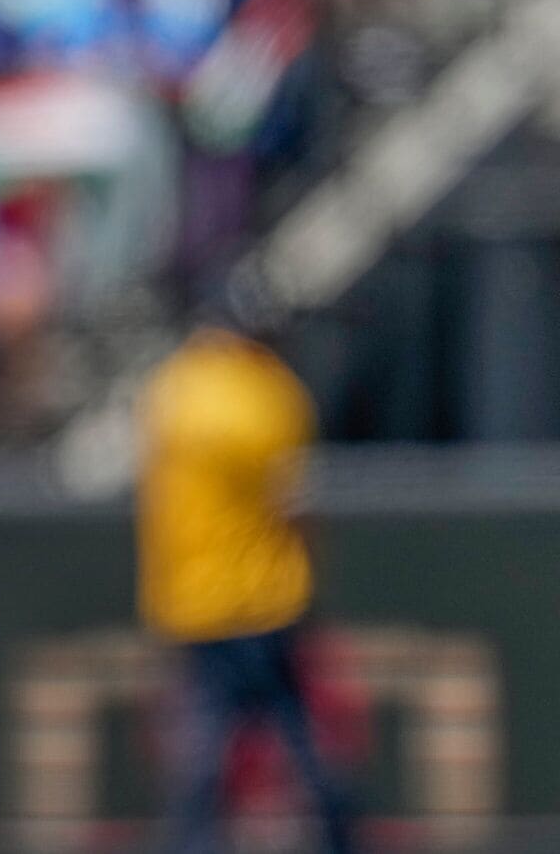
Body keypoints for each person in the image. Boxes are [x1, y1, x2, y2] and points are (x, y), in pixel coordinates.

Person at [136, 313, 354, 854]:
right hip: (265, 602)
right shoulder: (270, 392)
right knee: (306, 748)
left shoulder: (173, 386)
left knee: (202, 758)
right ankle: (341, 841)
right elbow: (297, 506)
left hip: (192, 603)